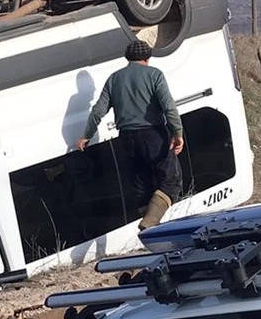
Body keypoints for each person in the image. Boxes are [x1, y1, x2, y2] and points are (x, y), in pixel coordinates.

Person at [75, 40, 183, 229]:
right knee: (171, 181)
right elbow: (168, 107)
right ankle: (150, 222)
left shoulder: (114, 79)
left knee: (141, 185)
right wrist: (177, 132)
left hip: (126, 138)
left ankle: (149, 229)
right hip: (153, 134)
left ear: (128, 58)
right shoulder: (154, 75)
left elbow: (97, 111)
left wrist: (87, 135)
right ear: (147, 58)